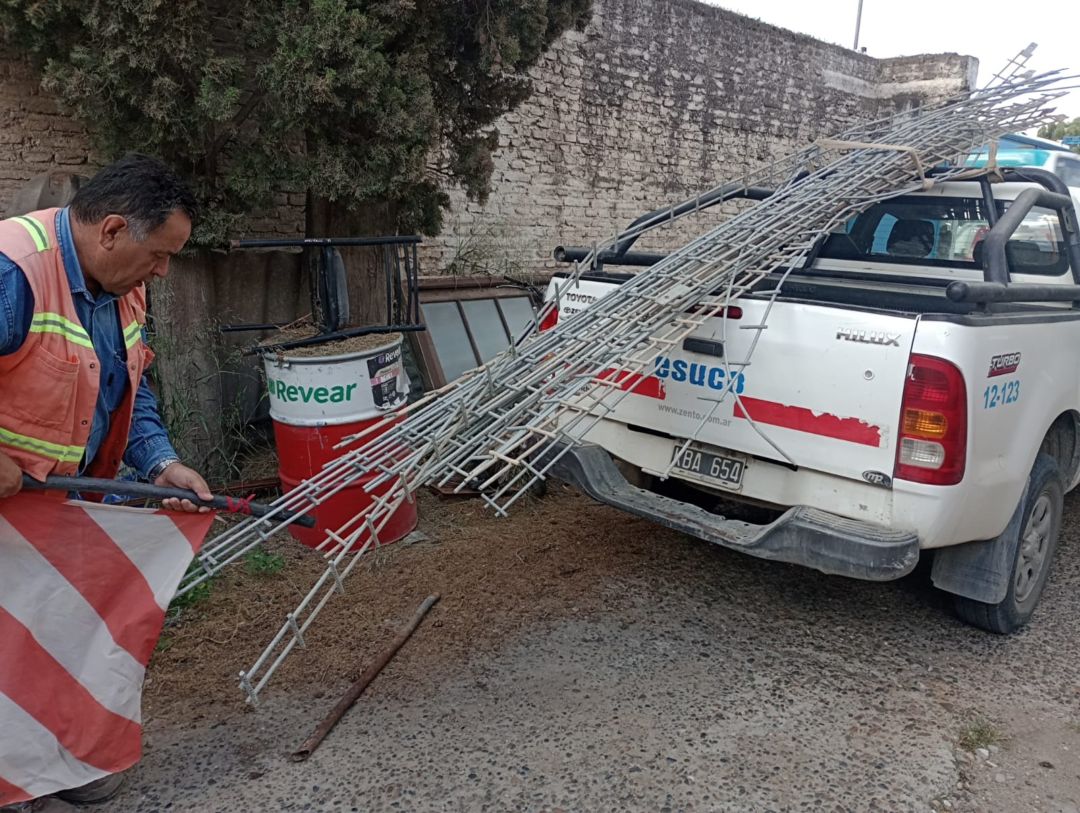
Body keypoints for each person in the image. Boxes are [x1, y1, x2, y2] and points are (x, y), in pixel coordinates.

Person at [0, 154, 213, 811]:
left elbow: (128, 382)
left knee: (60, 634)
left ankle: (59, 760)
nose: (164, 270)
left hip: (64, 508)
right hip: (11, 504)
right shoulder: (15, 270)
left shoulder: (124, 285)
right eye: (161, 253)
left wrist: (161, 463)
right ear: (114, 230)